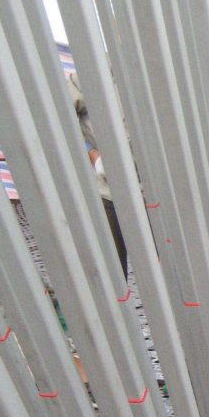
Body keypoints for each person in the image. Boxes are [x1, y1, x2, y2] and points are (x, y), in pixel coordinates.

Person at [68, 72, 128, 281]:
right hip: (108, 193)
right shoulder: (89, 73)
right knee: (113, 275)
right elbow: (57, 114)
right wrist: (91, 154)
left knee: (171, 275)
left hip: (157, 195)